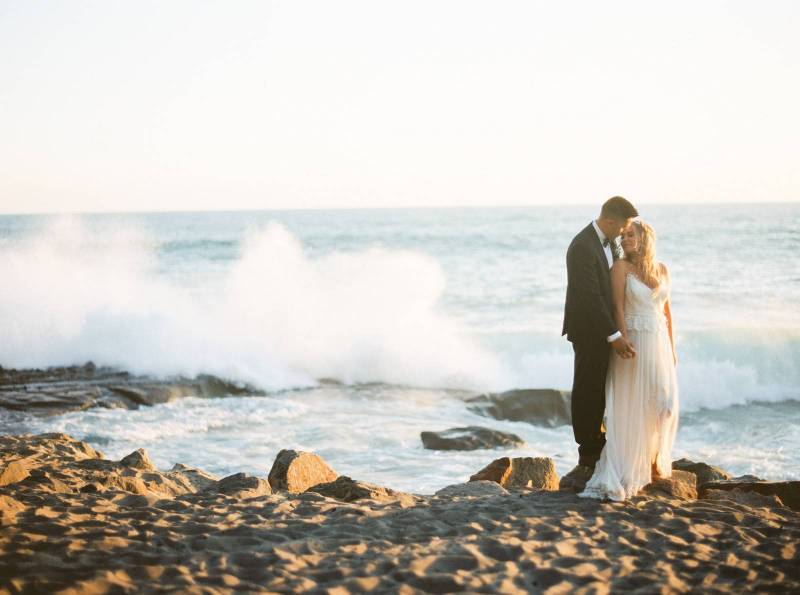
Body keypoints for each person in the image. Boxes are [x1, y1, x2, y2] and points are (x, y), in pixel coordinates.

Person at [578, 219, 680, 501]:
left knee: (664, 404)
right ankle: (633, 464)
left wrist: (672, 348)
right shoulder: (620, 268)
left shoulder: (662, 270)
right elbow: (617, 307)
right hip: (633, 340)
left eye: (630, 235)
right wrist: (621, 338)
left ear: (645, 237)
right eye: (623, 236)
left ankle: (652, 458)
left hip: (658, 340)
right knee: (632, 402)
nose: (625, 240)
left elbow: (667, 313)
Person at [562, 196, 639, 483]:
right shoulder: (582, 246)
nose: (623, 232)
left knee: (603, 389)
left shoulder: (612, 241)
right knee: (588, 390)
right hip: (588, 330)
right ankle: (587, 455)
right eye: (623, 226)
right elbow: (590, 297)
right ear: (609, 221)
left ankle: (604, 446)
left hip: (607, 328)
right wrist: (614, 335)